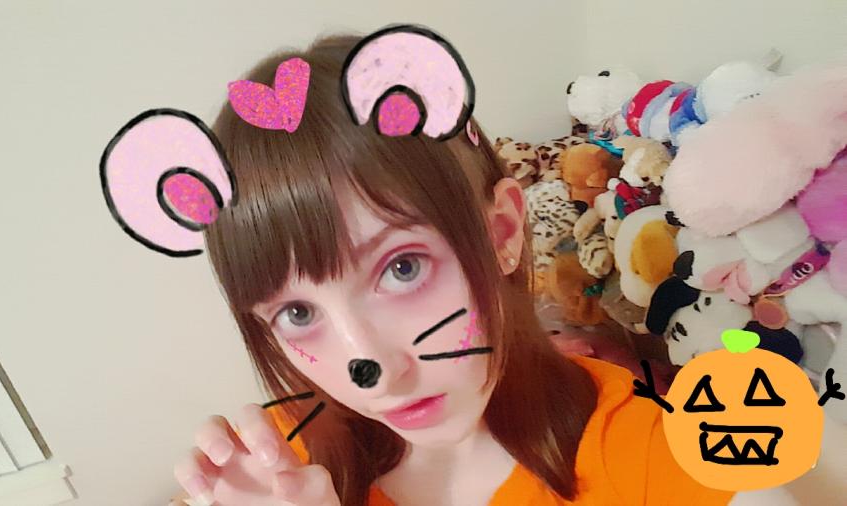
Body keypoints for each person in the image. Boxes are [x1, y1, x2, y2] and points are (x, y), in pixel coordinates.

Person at [161, 31, 736, 506]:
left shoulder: (653, 450)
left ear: (502, 233)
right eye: (297, 312)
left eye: (402, 268)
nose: (376, 373)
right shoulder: (272, 467)